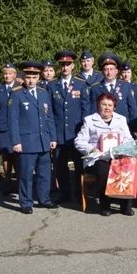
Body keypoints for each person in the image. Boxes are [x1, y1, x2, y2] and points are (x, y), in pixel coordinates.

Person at [8, 61, 58, 214]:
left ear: (38, 77)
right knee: (26, 174)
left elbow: (49, 117)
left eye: (34, 77)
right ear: (24, 77)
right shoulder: (16, 94)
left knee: (44, 173)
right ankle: (26, 202)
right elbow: (13, 120)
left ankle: (44, 199)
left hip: (43, 141)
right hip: (26, 142)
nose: (31, 80)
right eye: (28, 77)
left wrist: (53, 138)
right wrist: (16, 141)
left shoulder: (43, 93)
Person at [75, 93, 135, 216]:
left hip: (117, 155)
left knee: (126, 166)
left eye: (110, 105)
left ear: (114, 107)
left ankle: (125, 206)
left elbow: (129, 139)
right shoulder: (89, 120)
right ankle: (105, 205)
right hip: (98, 158)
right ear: (98, 105)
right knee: (104, 170)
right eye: (104, 104)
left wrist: (122, 148)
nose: (107, 108)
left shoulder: (121, 119)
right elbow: (79, 141)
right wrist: (92, 149)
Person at [48, 50, 90, 204]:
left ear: (73, 66)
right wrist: (52, 135)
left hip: (77, 133)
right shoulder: (52, 86)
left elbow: (86, 111)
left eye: (68, 64)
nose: (65, 68)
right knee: (60, 166)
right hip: (59, 133)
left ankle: (80, 194)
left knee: (80, 165)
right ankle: (64, 193)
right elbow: (49, 113)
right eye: (62, 65)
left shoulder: (81, 84)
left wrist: (85, 133)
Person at [0, 63, 22, 194]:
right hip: (2, 127)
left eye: (10, 73)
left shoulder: (20, 88)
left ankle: (20, 183)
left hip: (18, 127)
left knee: (18, 156)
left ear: (14, 75)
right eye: (5, 73)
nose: (7, 76)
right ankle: (8, 183)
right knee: (6, 156)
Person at [90, 52, 137, 129]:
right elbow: (93, 111)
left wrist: (133, 128)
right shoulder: (95, 88)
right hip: (102, 128)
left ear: (117, 71)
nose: (109, 73)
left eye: (111, 69)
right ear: (102, 72)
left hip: (123, 128)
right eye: (106, 70)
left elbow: (132, 110)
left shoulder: (125, 86)